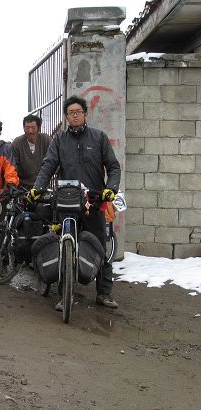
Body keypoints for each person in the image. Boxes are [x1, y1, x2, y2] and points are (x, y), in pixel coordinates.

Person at [31, 95, 121, 309]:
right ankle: (65, 295)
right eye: (71, 113)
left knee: (99, 245)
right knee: (65, 245)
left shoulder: (99, 138)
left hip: (94, 201)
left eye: (78, 112)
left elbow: (113, 166)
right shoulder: (59, 140)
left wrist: (111, 189)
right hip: (66, 201)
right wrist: (38, 188)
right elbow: (48, 165)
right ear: (66, 117)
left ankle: (104, 292)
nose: (75, 116)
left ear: (85, 114)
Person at [11, 114, 52, 190]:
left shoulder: (46, 140)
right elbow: (12, 167)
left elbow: (53, 160)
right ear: (23, 128)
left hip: (43, 185)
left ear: (38, 128)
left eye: (33, 128)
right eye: (27, 128)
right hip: (22, 187)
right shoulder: (17, 143)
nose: (30, 131)